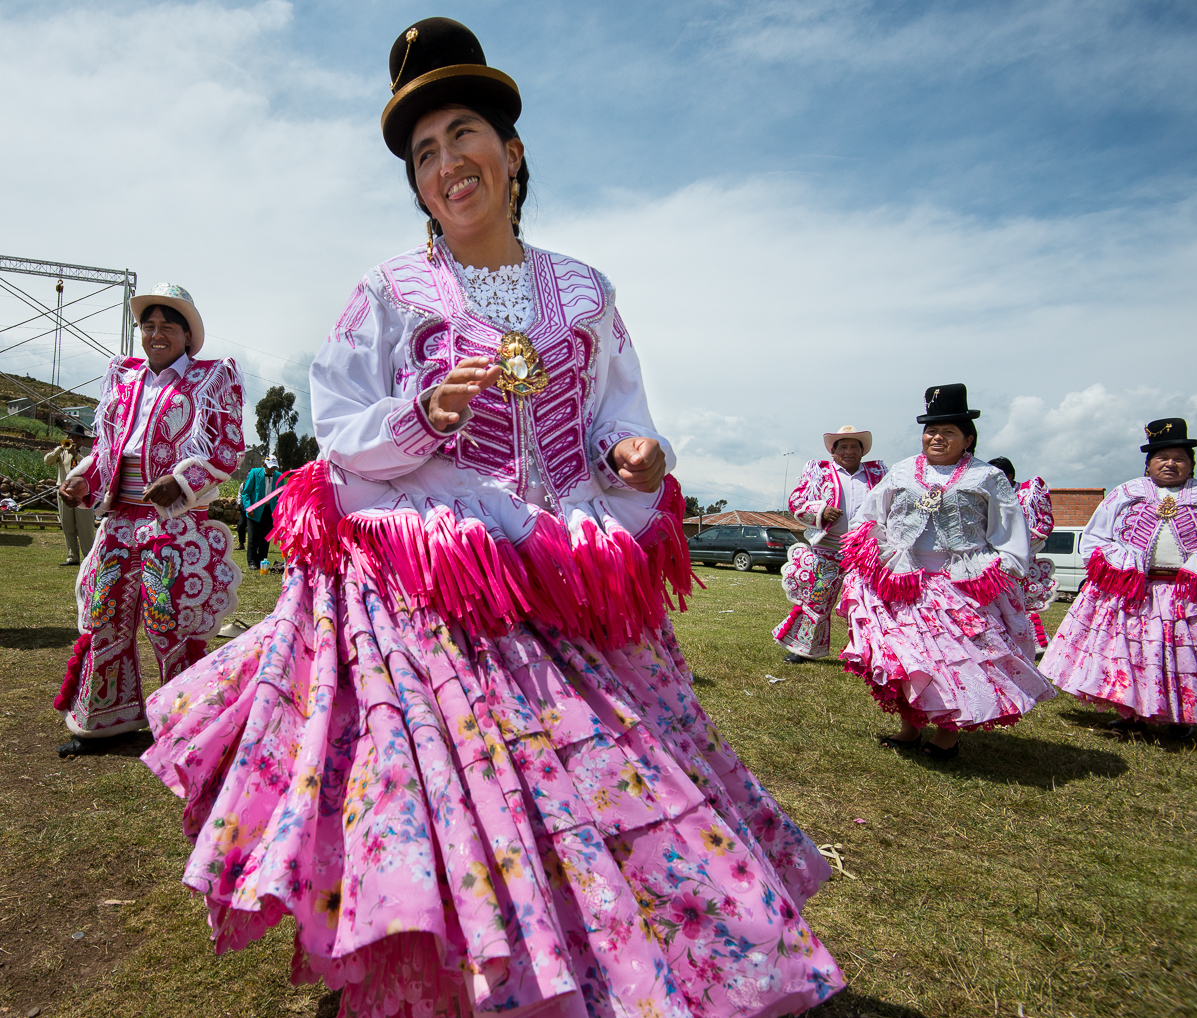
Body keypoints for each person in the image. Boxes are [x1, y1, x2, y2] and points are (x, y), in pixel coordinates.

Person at [139, 19, 844, 1018]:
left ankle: (608, 973)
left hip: (562, 568)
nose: (444, 163)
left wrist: (632, 451)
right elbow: (338, 432)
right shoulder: (389, 291)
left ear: (510, 153)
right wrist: (425, 414)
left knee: (609, 780)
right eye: (423, 154)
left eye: (461, 134)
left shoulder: (587, 292)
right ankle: (455, 967)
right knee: (456, 791)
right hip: (431, 573)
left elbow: (615, 410)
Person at [54, 283, 245, 757]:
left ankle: (184, 725)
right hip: (120, 518)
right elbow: (108, 448)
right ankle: (106, 719)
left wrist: (182, 483)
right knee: (105, 614)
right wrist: (84, 480)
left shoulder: (211, 378)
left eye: (167, 327)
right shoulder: (122, 379)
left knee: (169, 621)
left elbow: (227, 448)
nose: (156, 334)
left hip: (174, 522)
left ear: (186, 335)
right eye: (148, 326)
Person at [838, 384, 1055, 759]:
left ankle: (947, 737)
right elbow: (870, 517)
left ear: (968, 439)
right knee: (908, 661)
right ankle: (909, 729)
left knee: (957, 664)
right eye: (931, 431)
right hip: (903, 584)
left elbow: (1009, 533)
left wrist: (998, 569)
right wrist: (876, 554)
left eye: (948, 432)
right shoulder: (903, 471)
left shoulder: (987, 478)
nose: (937, 438)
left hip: (961, 586)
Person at [1040, 418, 1197, 739]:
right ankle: (1133, 716)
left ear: (1191, 464)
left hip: (1184, 595)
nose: (1170, 464)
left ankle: (1180, 719)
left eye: (1179, 458)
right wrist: (1122, 566)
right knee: (1133, 654)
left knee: (1181, 655)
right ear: (1148, 463)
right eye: (1162, 457)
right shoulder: (1127, 493)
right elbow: (1096, 538)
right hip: (1133, 592)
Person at [774, 424, 886, 661]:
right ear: (833, 452)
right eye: (842, 447)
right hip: (828, 548)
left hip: (865, 551)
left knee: (868, 603)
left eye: (854, 446)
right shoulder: (821, 473)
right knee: (818, 600)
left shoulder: (878, 476)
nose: (848, 451)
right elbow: (797, 501)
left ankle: (869, 653)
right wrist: (820, 511)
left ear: (863, 451)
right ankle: (802, 650)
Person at [988, 457, 1057, 655]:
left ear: (1009, 476)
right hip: (993, 560)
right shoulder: (989, 495)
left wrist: (1020, 543)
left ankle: (1036, 643)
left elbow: (1044, 523)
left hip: (1023, 557)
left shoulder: (1029, 493)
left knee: (1023, 602)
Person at [44, 433, 95, 566]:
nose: (74, 441)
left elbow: (90, 466)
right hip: (64, 493)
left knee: (85, 526)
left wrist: (76, 454)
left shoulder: (88, 452)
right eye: (71, 438)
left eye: (77, 438)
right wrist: (59, 450)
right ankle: (72, 557)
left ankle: (88, 557)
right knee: (67, 525)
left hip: (82, 493)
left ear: (82, 440)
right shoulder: (62, 453)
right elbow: (47, 461)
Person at [240, 453, 281, 569]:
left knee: (266, 537)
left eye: (274, 468)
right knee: (253, 537)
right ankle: (252, 561)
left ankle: (263, 560)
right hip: (255, 511)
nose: (272, 470)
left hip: (270, 511)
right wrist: (249, 508)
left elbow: (281, 496)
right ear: (264, 465)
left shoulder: (279, 476)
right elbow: (246, 493)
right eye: (270, 467)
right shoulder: (254, 473)